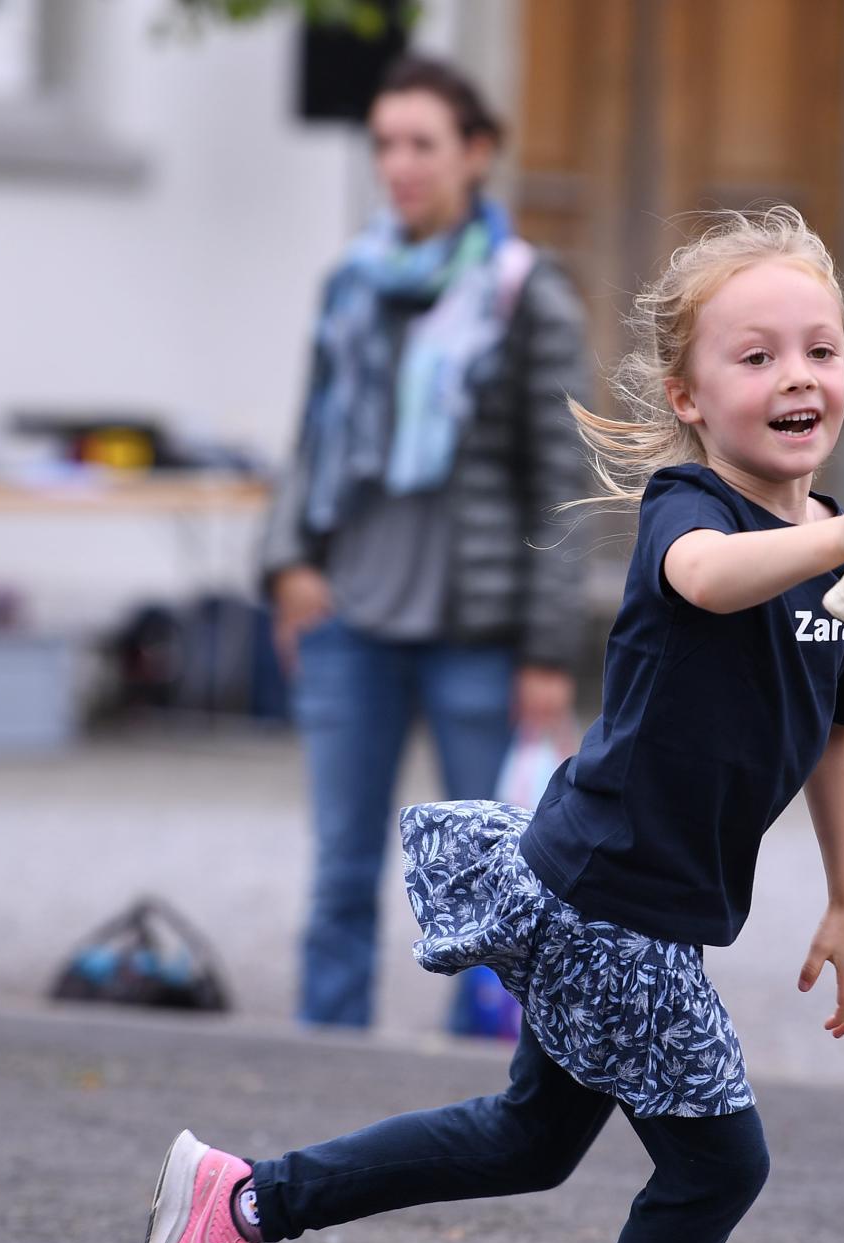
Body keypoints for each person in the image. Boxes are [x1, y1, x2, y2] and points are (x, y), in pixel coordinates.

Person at [136, 207, 844, 1243]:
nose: (796, 378)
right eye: (757, 356)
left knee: (528, 1139)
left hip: (633, 895)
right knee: (722, 1162)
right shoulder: (693, 508)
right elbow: (708, 582)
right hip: (612, 896)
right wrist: (843, 533)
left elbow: (835, 724)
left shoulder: (842, 558)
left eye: (819, 351)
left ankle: (240, 1204)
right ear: (689, 394)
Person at [260, 55, 588, 1029]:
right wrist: (288, 564)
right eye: (385, 145)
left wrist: (545, 651)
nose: (399, 165)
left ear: (477, 154)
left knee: (487, 887)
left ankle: (475, 1108)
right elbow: (310, 438)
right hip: (348, 621)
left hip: (474, 635)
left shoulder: (529, 295)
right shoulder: (352, 283)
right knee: (340, 873)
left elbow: (559, 485)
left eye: (422, 144)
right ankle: (325, 1088)